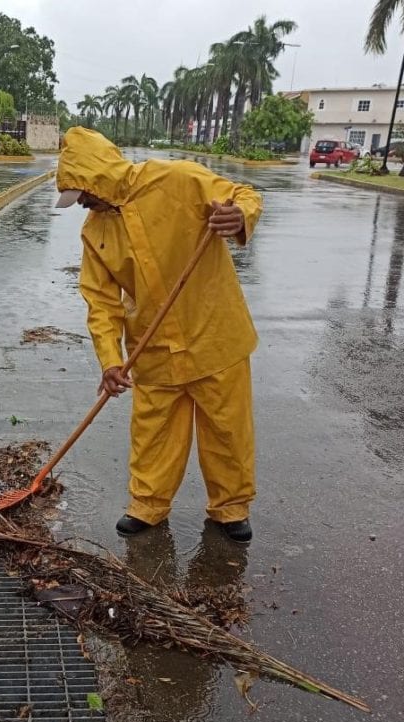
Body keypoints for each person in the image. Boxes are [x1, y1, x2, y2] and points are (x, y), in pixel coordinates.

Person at [55, 127, 262, 543]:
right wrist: (110, 360)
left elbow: (243, 194)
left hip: (214, 334)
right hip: (153, 347)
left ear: (97, 177)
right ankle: (147, 505)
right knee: (153, 432)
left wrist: (238, 216)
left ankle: (230, 508)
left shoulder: (177, 180)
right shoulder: (95, 231)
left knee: (226, 430)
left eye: (83, 195)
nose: (83, 206)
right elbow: (101, 302)